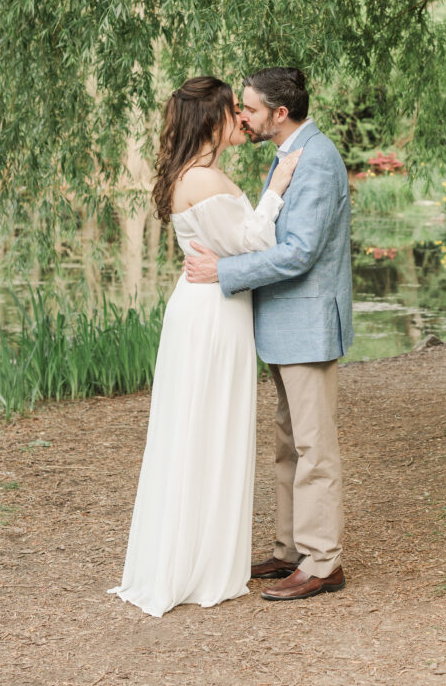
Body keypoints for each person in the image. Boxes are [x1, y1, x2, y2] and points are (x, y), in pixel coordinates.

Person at [109, 76, 301, 617]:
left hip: (200, 307)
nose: (242, 118)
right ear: (212, 121)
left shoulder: (184, 175)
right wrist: (277, 186)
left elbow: (230, 248)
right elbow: (258, 242)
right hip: (214, 313)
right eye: (231, 110)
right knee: (209, 426)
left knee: (192, 426)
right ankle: (201, 564)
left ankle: (189, 552)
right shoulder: (208, 181)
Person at [185, 67, 353, 601]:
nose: (241, 117)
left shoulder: (318, 159)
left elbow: (300, 252)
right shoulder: (287, 156)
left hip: (306, 325)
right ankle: (289, 550)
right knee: (288, 446)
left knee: (313, 447)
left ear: (280, 114)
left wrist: (225, 273)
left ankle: (323, 561)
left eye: (249, 109)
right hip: (283, 326)